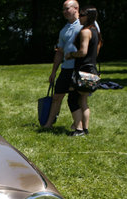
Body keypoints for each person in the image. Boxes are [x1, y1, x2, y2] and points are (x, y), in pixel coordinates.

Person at [42, 0, 82, 129]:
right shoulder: (64, 30)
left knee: (78, 98)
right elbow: (59, 52)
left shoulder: (85, 25)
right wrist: (53, 72)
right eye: (63, 9)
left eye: (67, 9)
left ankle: (78, 125)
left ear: (76, 8)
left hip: (79, 68)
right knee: (57, 96)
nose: (64, 12)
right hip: (66, 68)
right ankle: (48, 124)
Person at [65, 7, 100, 136]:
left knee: (72, 99)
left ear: (89, 16)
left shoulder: (85, 31)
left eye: (82, 15)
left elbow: (82, 52)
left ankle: (78, 129)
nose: (79, 17)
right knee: (83, 100)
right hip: (92, 70)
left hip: (82, 71)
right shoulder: (95, 31)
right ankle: (85, 129)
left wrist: (71, 55)